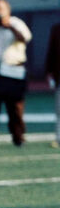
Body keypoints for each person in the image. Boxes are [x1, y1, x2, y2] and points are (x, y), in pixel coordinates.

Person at [0, 0, 32, 147]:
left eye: (1, 8)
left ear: (8, 10)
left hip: (13, 69)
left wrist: (9, 26)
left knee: (15, 106)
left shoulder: (16, 23)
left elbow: (25, 38)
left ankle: (18, 137)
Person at [45, 20, 60, 148]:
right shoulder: (56, 28)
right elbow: (52, 51)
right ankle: (59, 138)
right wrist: (49, 71)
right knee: (59, 109)